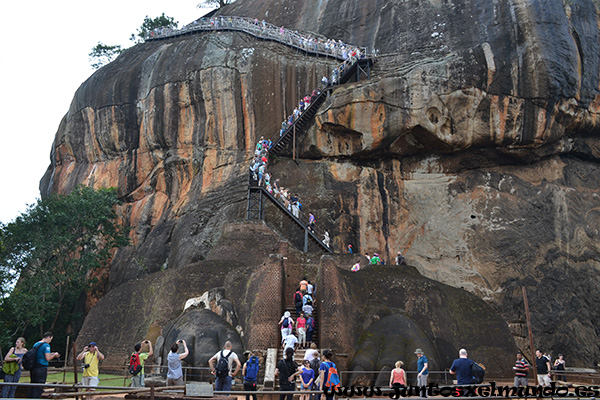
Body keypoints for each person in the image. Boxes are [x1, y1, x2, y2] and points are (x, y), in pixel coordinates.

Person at [28, 332, 60, 399]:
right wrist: (54, 355)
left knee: (33, 385)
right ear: (48, 337)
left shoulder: (36, 344)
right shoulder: (46, 345)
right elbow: (47, 358)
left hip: (34, 367)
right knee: (39, 386)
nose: (51, 341)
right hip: (41, 368)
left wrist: (50, 354)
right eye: (51, 339)